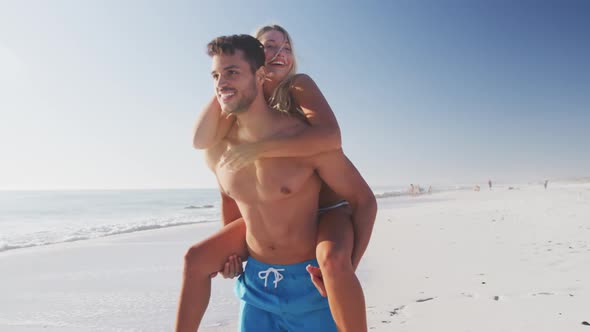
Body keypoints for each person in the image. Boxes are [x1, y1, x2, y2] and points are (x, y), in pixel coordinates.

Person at [176, 28, 376, 332]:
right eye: (216, 76)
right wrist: (235, 256)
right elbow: (229, 194)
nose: (279, 54)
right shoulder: (221, 143)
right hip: (260, 280)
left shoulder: (304, 128)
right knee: (194, 259)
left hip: (324, 219)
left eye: (232, 72)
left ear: (257, 74)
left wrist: (348, 267)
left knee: (334, 261)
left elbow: (339, 152)